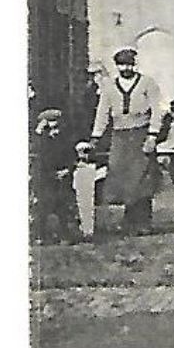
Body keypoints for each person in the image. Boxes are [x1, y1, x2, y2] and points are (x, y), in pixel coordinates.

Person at [89, 48, 163, 234]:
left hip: (141, 133)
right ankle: (129, 219)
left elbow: (156, 110)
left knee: (142, 177)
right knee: (121, 175)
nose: (126, 68)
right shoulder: (109, 87)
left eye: (129, 64)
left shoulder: (147, 83)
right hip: (120, 135)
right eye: (122, 65)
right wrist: (96, 136)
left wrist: (153, 134)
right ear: (117, 66)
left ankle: (143, 221)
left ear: (134, 64)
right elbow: (102, 112)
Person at [32, 109, 83, 243]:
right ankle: (40, 235)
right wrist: (39, 132)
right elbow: (39, 158)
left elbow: (72, 157)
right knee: (44, 207)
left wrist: (67, 170)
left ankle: (66, 235)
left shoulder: (65, 139)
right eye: (50, 125)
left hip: (63, 176)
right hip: (47, 178)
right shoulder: (42, 140)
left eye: (56, 125)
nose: (54, 130)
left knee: (63, 208)